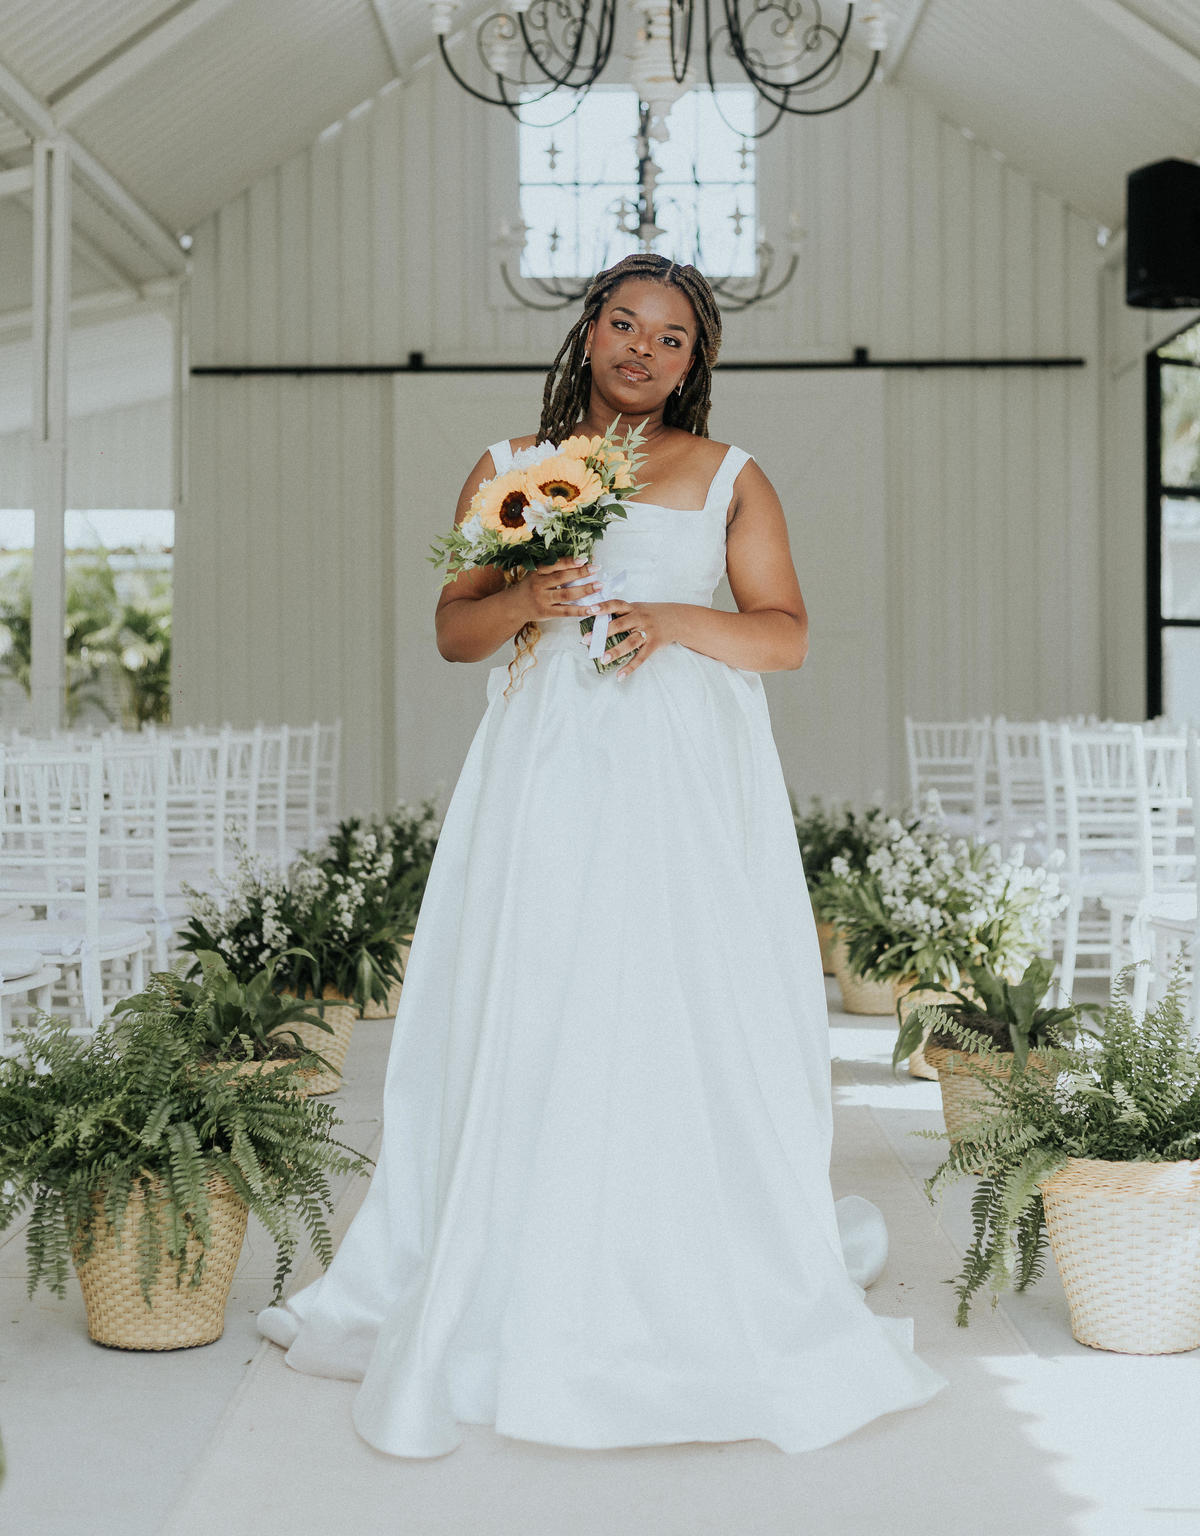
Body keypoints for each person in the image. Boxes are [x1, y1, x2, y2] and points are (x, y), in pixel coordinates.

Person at [257, 252, 947, 1456]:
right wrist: (527, 603)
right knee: (540, 989)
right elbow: (454, 629)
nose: (643, 348)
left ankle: (678, 1255)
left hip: (683, 784)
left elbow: (784, 637)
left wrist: (669, 619)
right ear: (589, 333)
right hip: (545, 776)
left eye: (672, 337)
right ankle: (516, 1249)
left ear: (695, 363)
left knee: (680, 995)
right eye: (625, 323)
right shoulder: (511, 468)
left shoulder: (731, 477)